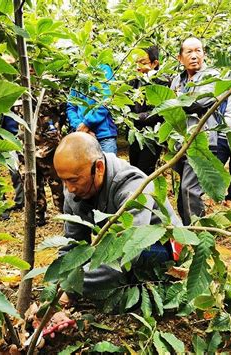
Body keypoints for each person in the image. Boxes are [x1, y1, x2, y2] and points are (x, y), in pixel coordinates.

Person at [54, 132, 181, 295]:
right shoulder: (73, 190)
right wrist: (55, 289)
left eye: (74, 180)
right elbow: (73, 245)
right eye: (63, 180)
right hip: (119, 243)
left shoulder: (133, 186)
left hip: (159, 248)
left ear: (98, 168)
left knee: (129, 262)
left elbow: (126, 252)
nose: (69, 189)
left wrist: (70, 289)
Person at [170, 37, 219, 225]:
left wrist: (176, 100)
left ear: (204, 54)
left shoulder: (211, 76)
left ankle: (198, 232)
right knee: (184, 189)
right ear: (180, 58)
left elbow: (199, 102)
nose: (194, 56)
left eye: (198, 51)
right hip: (180, 142)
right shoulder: (177, 80)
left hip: (201, 142)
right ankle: (187, 227)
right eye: (189, 52)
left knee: (190, 189)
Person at [128, 46, 168, 175]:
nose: (138, 66)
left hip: (152, 135)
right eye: (136, 62)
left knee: (144, 172)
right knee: (133, 168)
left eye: (143, 62)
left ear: (154, 63)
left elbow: (159, 111)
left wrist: (135, 117)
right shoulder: (134, 81)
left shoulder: (162, 81)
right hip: (134, 134)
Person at [66, 64, 118, 154]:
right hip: (82, 136)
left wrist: (87, 124)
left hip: (103, 136)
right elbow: (71, 107)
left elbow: (106, 100)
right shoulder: (78, 76)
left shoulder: (103, 69)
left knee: (107, 167)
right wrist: (79, 126)